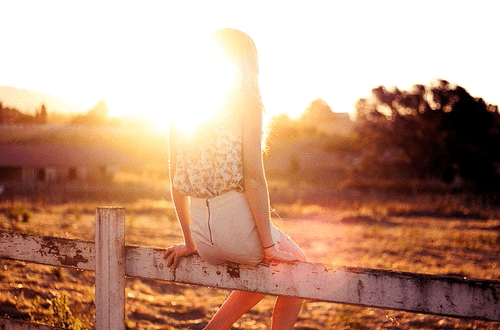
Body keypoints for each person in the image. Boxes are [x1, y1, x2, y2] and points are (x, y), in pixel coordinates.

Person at [163, 28, 307, 330]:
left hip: (204, 238)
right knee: (299, 270)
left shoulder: (182, 100)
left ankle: (215, 328)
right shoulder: (246, 101)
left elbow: (175, 181)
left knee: (267, 269)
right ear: (247, 62)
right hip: (236, 229)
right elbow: (254, 179)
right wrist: (269, 247)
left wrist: (190, 242)